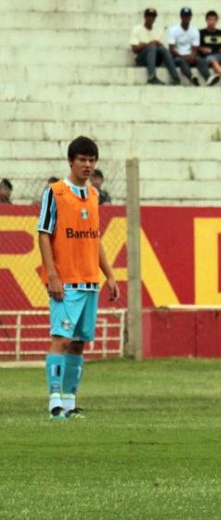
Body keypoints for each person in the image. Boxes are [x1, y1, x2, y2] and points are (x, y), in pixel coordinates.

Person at [37, 136, 120, 420]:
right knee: (60, 338)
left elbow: (94, 239)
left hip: (89, 281)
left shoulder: (94, 196)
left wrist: (109, 275)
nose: (87, 165)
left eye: (91, 160)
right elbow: (44, 235)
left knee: (78, 343)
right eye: (82, 159)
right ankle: (54, 402)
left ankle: (70, 402)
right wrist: (52, 275)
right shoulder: (55, 192)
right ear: (70, 161)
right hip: (65, 281)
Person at [130, 7, 180, 85]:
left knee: (162, 49)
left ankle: (176, 77)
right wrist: (149, 44)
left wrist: (159, 44)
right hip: (141, 59)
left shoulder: (157, 30)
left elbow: (162, 49)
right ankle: (152, 76)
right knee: (152, 47)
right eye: (149, 16)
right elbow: (134, 49)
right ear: (145, 17)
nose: (151, 18)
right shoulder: (137, 29)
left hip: (155, 59)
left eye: (153, 17)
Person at [168, 7, 210, 86]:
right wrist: (183, 56)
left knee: (200, 60)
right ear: (181, 17)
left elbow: (195, 48)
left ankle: (208, 78)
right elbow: (171, 49)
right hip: (177, 56)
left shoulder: (194, 31)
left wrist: (192, 55)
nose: (186, 18)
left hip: (189, 56)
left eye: (188, 16)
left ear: (191, 17)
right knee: (182, 61)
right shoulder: (173, 30)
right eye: (184, 16)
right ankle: (191, 77)